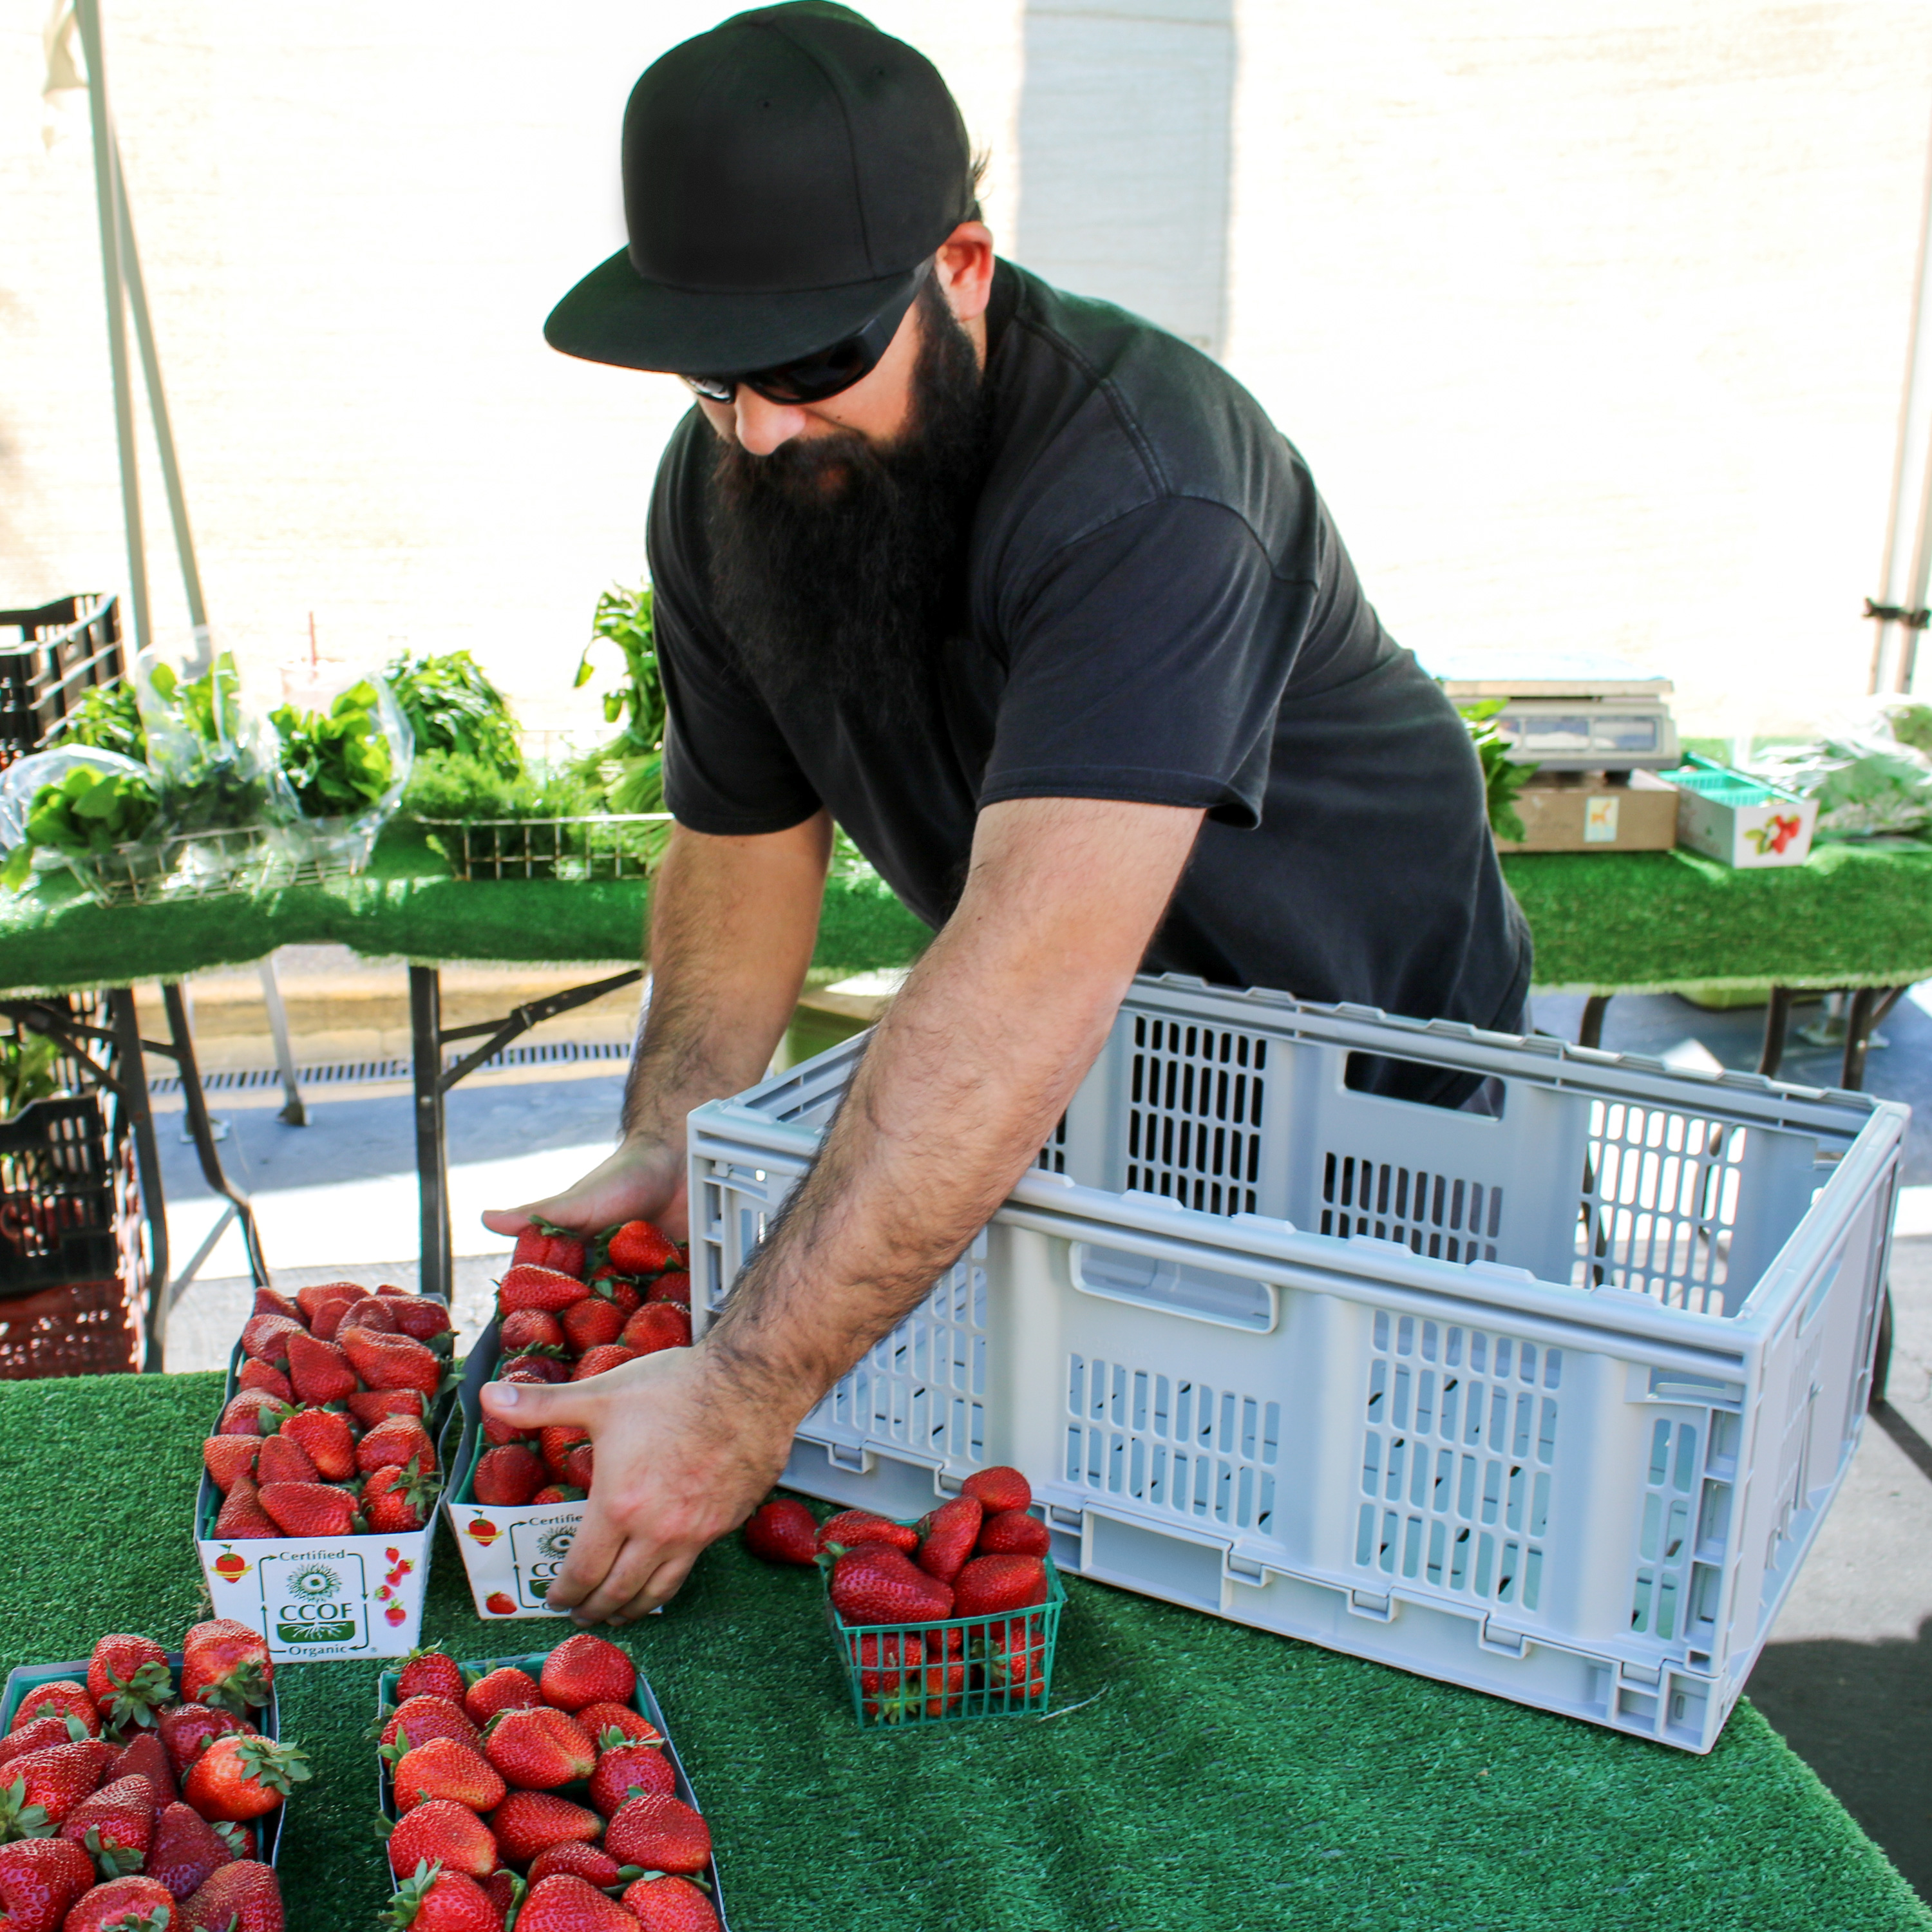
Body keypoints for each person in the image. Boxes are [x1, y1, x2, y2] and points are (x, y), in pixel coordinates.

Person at [480, 0, 1531, 1625]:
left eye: (818, 359)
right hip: (1103, 1097)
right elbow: (742, 840)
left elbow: (1023, 978)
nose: (763, 423)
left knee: (1381, 1580)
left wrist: (745, 1396)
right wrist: (673, 1133)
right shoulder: (728, 486)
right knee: (1113, 1548)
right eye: (713, 374)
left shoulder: (1146, 484)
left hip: (1376, 1099)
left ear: (960, 268)